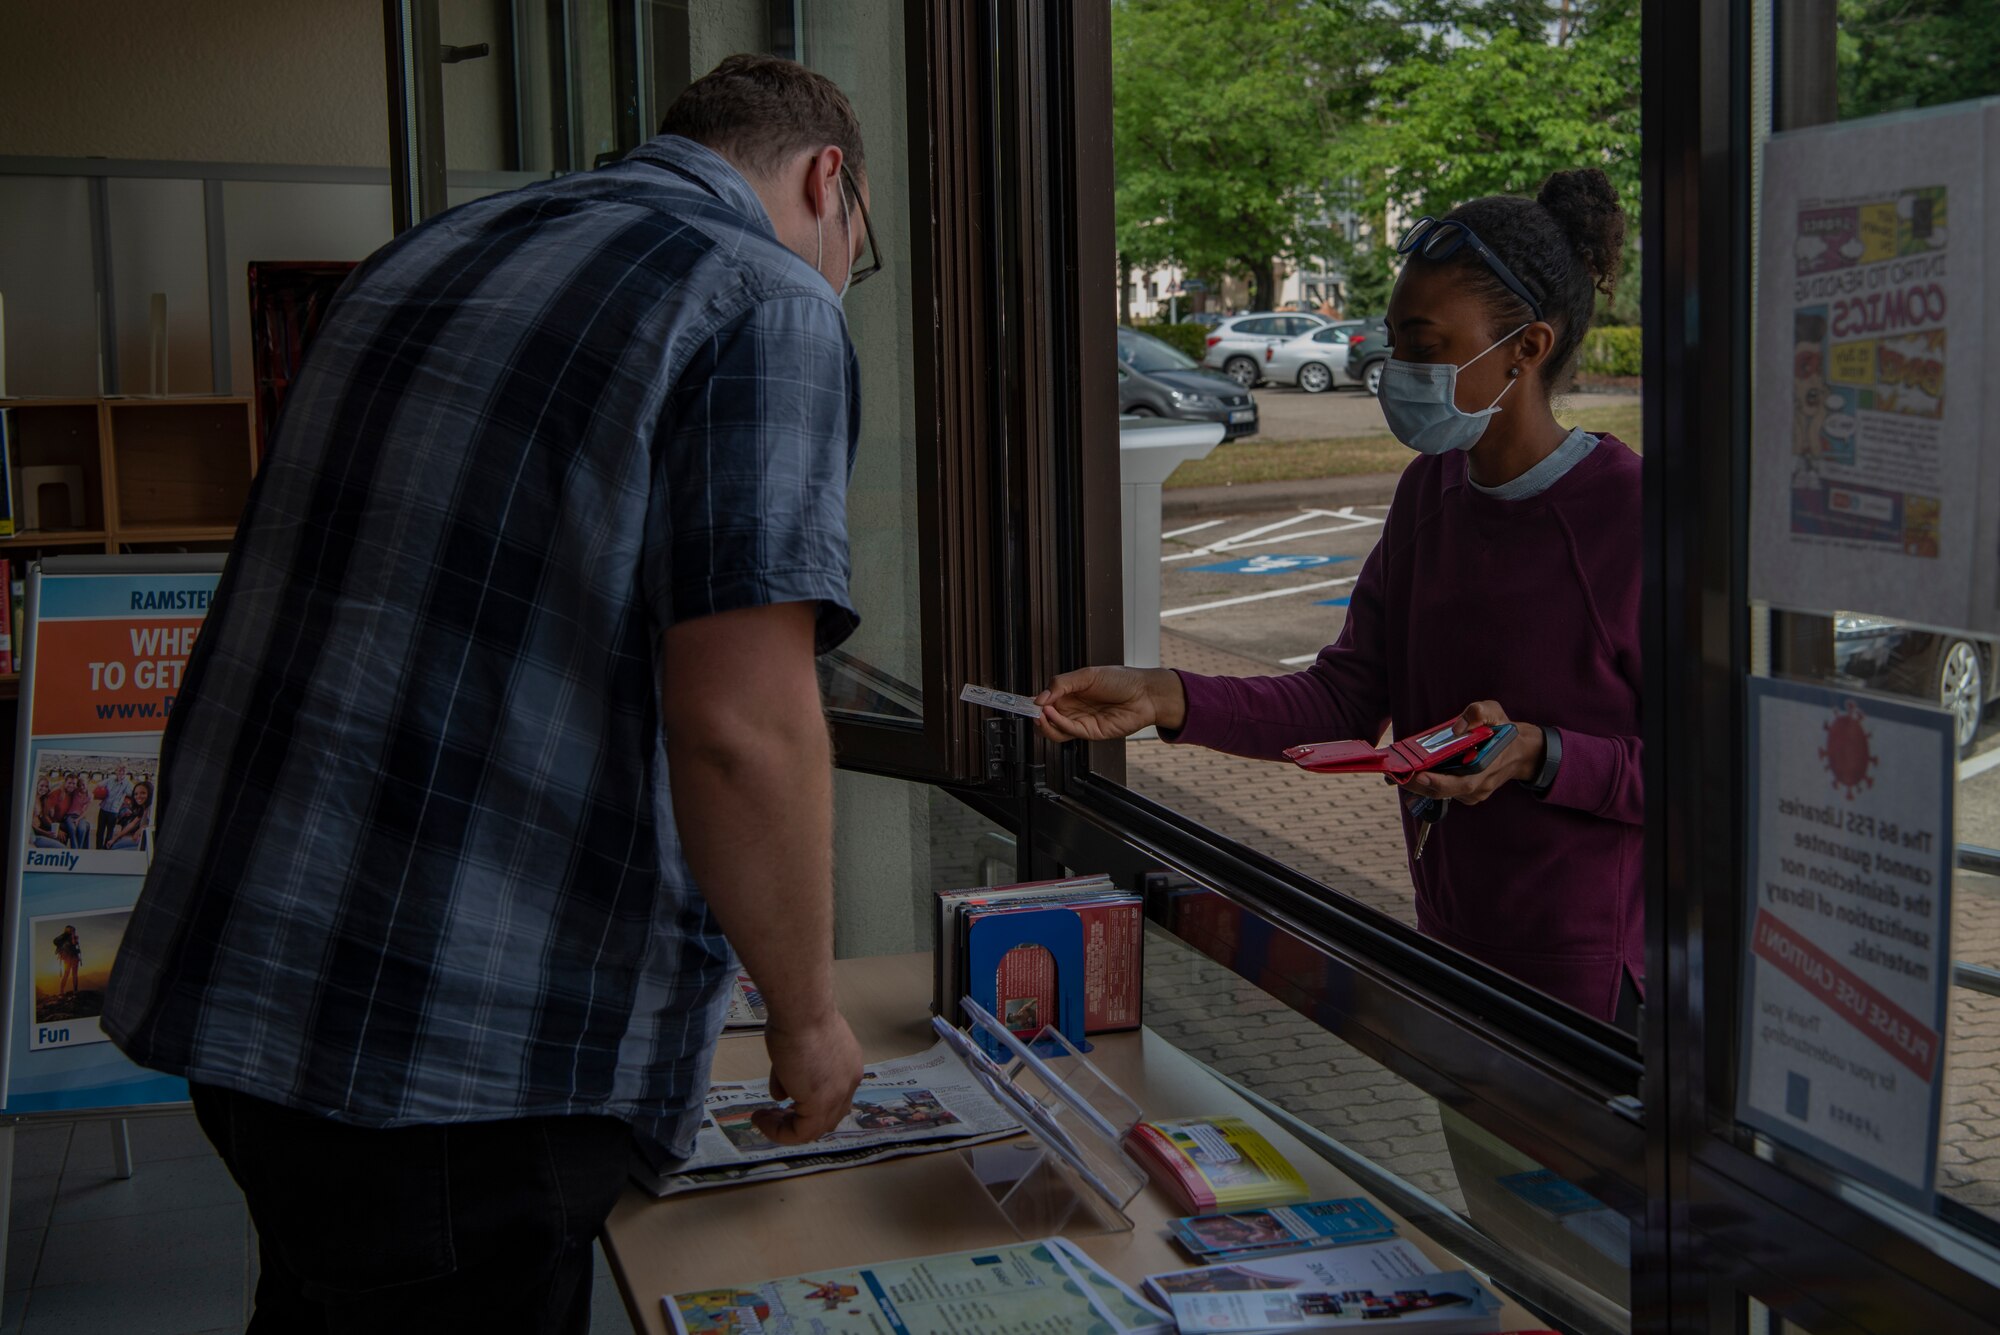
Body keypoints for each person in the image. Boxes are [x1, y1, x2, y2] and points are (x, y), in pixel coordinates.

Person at [103, 53, 873, 1334]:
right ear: (824, 180)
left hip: (243, 980)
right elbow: (742, 721)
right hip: (451, 1065)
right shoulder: (760, 297)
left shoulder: (435, 249)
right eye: (861, 249)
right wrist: (808, 1018)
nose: (845, 275)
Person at [1038, 169, 1641, 1026]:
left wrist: (1542, 753)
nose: (1398, 371)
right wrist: (1163, 695)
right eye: (1394, 342)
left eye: (1427, 346)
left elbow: (1708, 784)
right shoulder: (1429, 493)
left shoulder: (1628, 516)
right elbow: (1344, 701)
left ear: (1527, 348)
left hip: (1593, 995)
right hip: (1453, 954)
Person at [104, 781, 151, 851]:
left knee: (116, 849)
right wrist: (115, 838)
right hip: (140, 840)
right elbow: (131, 824)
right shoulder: (143, 809)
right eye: (136, 794)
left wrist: (141, 829)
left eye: (143, 793)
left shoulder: (151, 808)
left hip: (148, 844)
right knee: (114, 845)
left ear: (150, 794)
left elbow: (154, 825)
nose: (138, 796)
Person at [98, 765, 133, 850]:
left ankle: (106, 850)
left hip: (114, 811)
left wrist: (127, 803)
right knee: (100, 831)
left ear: (125, 773)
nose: (121, 773)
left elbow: (133, 794)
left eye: (123, 771)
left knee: (110, 832)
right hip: (103, 808)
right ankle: (98, 849)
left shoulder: (127, 783)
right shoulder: (110, 779)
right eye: (119, 771)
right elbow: (99, 785)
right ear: (116, 771)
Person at [59, 773, 91, 851]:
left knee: (82, 829)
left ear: (87, 784)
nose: (81, 787)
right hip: (70, 816)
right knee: (72, 829)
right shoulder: (76, 791)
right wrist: (63, 791)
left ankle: (79, 851)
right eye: (79, 785)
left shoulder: (90, 796)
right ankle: (75, 850)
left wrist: (78, 820)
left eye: (83, 785)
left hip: (81, 817)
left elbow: (86, 811)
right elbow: (62, 784)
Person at [54, 925, 81, 998]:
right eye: (72, 930)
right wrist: (69, 935)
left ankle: (70, 991)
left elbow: (74, 943)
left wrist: (72, 936)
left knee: (71, 974)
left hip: (71, 958)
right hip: (69, 958)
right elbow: (55, 941)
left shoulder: (72, 937)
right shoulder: (64, 938)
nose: (73, 932)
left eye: (73, 930)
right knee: (69, 974)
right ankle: (64, 991)